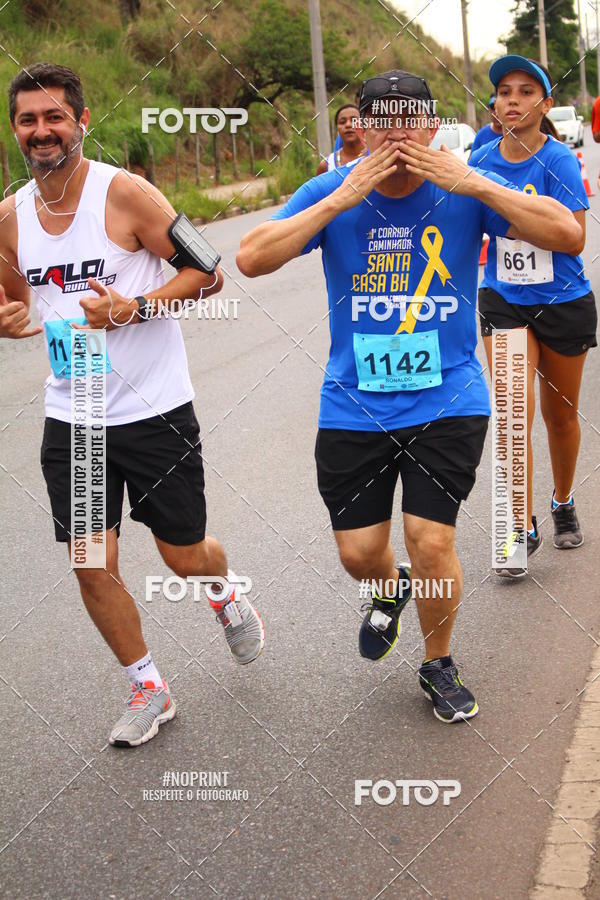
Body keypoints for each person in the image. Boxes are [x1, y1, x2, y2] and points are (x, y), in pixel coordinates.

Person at [237, 69, 581, 723]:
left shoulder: (463, 183)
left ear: (431, 128)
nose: (397, 136)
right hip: (353, 403)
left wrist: (476, 183)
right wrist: (339, 198)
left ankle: (438, 662)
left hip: (448, 398)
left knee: (429, 538)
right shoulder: (331, 189)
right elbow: (251, 258)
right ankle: (390, 587)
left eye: (409, 123)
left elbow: (567, 234)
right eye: (381, 123)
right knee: (360, 553)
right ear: (360, 129)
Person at [0, 63, 265, 748]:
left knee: (182, 557)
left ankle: (224, 590)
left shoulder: (126, 194)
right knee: (91, 560)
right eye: (28, 119)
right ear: (14, 131)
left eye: (54, 116)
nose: (41, 130)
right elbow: (14, 301)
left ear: (82, 122)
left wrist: (136, 305)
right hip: (75, 414)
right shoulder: (10, 218)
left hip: (155, 410)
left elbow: (209, 269)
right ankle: (148, 686)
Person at [471, 55, 596, 576]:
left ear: (544, 105)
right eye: (504, 91)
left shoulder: (560, 161)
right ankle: (516, 527)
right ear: (496, 104)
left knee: (559, 416)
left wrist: (509, 223)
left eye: (526, 92)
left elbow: (574, 236)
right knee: (512, 414)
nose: (513, 100)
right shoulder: (479, 157)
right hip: (503, 298)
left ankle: (562, 499)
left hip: (562, 299)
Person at [317, 104, 366, 175]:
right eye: (342, 122)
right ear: (337, 127)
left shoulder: (377, 156)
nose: (348, 125)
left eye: (354, 120)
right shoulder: (327, 165)